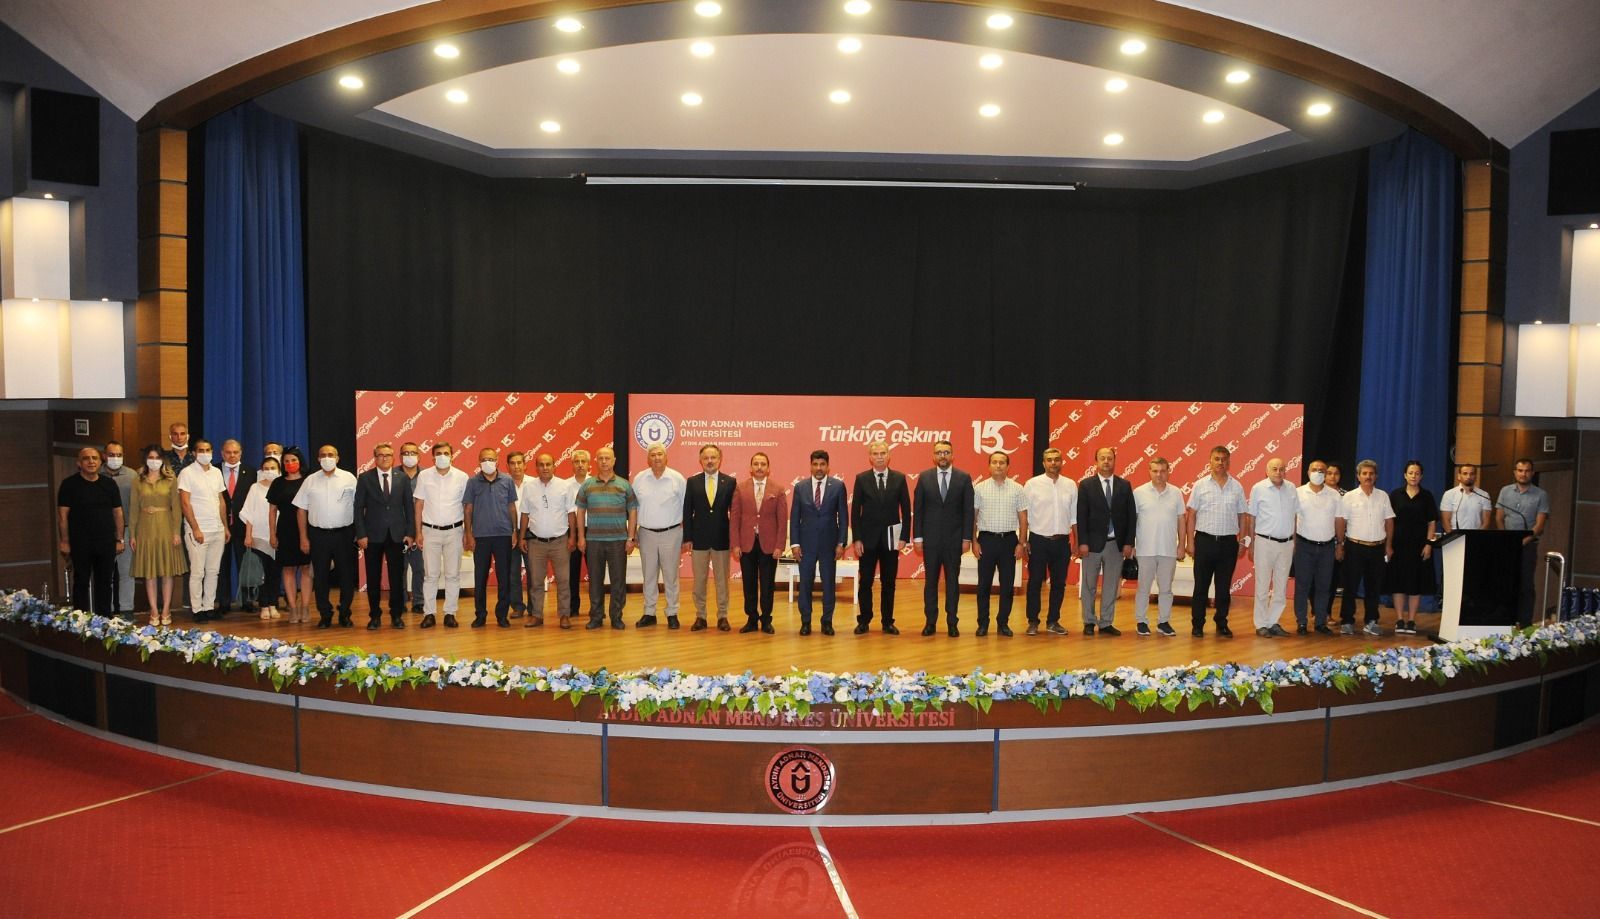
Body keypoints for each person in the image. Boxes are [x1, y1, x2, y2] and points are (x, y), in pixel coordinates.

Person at [1185, 446, 1249, 638]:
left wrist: (1243, 542)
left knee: (1223, 588)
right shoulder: (1200, 485)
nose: (1220, 462)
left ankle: (1221, 623)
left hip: (1228, 544)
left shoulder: (1237, 486)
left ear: (1228, 462)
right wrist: (1190, 542)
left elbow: (1243, 516)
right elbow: (1191, 515)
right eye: (1217, 459)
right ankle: (1197, 624)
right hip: (1204, 541)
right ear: (1210, 461)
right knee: (1201, 587)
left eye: (1224, 459)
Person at [912, 441, 974, 637]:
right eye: (939, 452)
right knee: (930, 582)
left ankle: (952, 622)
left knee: (952, 583)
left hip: (954, 540)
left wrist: (966, 538)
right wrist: (918, 537)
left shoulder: (964, 478)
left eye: (946, 452)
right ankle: (930, 622)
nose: (943, 456)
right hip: (930, 541)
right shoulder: (924, 477)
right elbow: (918, 509)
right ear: (934, 456)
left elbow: (968, 511)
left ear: (952, 455)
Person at [850, 440, 910, 635]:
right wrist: (857, 539)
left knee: (889, 583)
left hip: (891, 540)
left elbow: (906, 509)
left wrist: (904, 537)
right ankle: (864, 620)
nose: (879, 457)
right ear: (870, 457)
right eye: (875, 453)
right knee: (865, 582)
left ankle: (887, 622)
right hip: (867, 540)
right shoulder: (861, 479)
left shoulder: (899, 478)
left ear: (889, 455)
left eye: (883, 453)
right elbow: (855, 512)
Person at [295, 444, 358, 628]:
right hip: (318, 535)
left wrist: (359, 532)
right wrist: (303, 537)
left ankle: (345, 613)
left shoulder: (349, 478)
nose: (327, 458)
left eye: (331, 455)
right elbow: (301, 510)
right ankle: (325, 614)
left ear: (337, 458)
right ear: (318, 459)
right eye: (323, 455)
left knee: (346, 576)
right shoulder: (310, 480)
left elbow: (360, 506)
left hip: (344, 534)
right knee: (320, 576)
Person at [56, 446, 124, 615]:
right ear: (79, 463)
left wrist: (119, 539)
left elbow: (118, 513)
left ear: (101, 462)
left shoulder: (109, 484)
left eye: (95, 458)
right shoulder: (69, 484)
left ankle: (104, 620)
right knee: (81, 581)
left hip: (106, 541)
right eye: (86, 458)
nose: (91, 461)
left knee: (105, 582)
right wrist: (64, 541)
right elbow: (63, 516)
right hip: (80, 542)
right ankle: (81, 620)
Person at [575, 446, 637, 630]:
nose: (604, 461)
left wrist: (631, 538)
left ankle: (616, 617)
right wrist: (581, 537)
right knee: (595, 581)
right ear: (596, 461)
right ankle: (596, 616)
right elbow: (580, 511)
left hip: (618, 540)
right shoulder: (587, 485)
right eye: (600, 458)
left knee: (618, 581)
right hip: (593, 541)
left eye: (607, 458)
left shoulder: (624, 485)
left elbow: (633, 511)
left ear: (614, 460)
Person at [1077, 446, 1136, 636]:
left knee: (1110, 586)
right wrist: (1082, 542)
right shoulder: (1086, 485)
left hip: (1115, 545)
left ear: (1114, 461)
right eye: (1102, 458)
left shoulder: (1124, 485)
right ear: (1096, 461)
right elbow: (1081, 516)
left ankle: (1106, 623)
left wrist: (1128, 543)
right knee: (1088, 585)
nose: (1106, 461)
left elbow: (1131, 517)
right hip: (1091, 545)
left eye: (1109, 458)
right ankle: (1089, 621)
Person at [354, 442, 413, 629]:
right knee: (373, 578)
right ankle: (375, 616)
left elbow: (409, 508)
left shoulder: (402, 478)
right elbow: (358, 508)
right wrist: (361, 534)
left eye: (388, 455)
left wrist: (410, 533)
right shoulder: (365, 478)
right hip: (372, 536)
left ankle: (396, 615)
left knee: (396, 578)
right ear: (375, 458)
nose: (384, 458)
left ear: (393, 458)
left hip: (397, 535)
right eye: (380, 455)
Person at [789, 449, 848, 636]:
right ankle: (805, 622)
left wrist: (841, 543)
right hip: (805, 545)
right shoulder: (800, 487)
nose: (819, 468)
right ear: (810, 466)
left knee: (829, 584)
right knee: (805, 584)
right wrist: (795, 544)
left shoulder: (838, 486)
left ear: (828, 466)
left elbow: (843, 518)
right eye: (815, 464)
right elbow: (795, 518)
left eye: (822, 464)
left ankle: (827, 622)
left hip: (829, 545)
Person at [413, 441, 470, 628]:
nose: (442, 456)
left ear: (452, 456)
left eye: (446, 453)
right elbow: (419, 505)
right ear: (433, 457)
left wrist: (467, 532)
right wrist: (418, 532)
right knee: (430, 575)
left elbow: (467, 506)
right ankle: (429, 613)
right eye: (438, 453)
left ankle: (450, 613)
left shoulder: (462, 476)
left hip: (455, 531)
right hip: (430, 531)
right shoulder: (424, 476)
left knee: (453, 575)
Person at [1336, 459, 1395, 637]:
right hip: (1355, 547)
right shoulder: (1349, 497)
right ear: (1358, 476)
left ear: (1376, 476)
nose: (1368, 476)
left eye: (1371, 473)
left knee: (1374, 587)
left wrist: (1388, 545)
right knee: (1350, 586)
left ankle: (1371, 621)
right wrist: (1340, 544)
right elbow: (1341, 521)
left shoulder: (1383, 496)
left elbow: (1389, 522)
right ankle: (1347, 621)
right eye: (1364, 473)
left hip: (1377, 548)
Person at [729, 452, 786, 634]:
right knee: (749, 584)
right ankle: (752, 619)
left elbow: (782, 520)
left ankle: (766, 620)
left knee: (768, 584)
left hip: (769, 545)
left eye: (763, 464)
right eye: (756, 464)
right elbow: (734, 518)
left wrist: (779, 545)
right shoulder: (740, 488)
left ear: (768, 468)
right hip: (746, 544)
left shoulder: (778, 489)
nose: (759, 467)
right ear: (751, 468)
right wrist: (735, 544)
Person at [129, 445, 186, 625]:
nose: (154, 461)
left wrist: (176, 532)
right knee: (150, 572)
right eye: (151, 457)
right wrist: (132, 534)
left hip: (166, 527)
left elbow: (176, 508)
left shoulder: (170, 478)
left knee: (167, 572)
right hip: (145, 528)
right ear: (146, 459)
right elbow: (133, 509)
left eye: (157, 457)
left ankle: (166, 609)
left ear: (162, 459)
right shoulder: (138, 480)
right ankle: (153, 610)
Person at [1023, 447, 1077, 636]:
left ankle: (1053, 621)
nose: (1053, 463)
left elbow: (1074, 516)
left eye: (1056, 459)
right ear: (1043, 463)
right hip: (1038, 541)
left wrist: (1076, 541)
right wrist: (1024, 541)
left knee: (1059, 583)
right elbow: (1025, 515)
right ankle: (1032, 622)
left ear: (1061, 462)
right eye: (1049, 460)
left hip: (1062, 542)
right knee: (1034, 582)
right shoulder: (1032, 484)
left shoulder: (1070, 485)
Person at [463, 447, 519, 628]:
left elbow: (512, 507)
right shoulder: (472, 482)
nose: (487, 462)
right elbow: (468, 509)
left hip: (503, 535)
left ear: (497, 460)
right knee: (480, 579)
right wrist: (468, 533)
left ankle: (502, 615)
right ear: (479, 461)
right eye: (484, 459)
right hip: (480, 537)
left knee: (504, 578)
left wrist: (514, 531)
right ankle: (480, 615)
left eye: (491, 458)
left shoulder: (507, 480)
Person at [973, 451, 1027, 637]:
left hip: (1009, 542)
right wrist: (974, 541)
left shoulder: (1018, 488)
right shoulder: (979, 488)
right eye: (994, 462)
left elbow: (1023, 518)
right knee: (983, 586)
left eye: (1002, 462)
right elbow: (973, 518)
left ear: (1008, 466)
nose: (998, 465)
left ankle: (1003, 623)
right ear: (989, 466)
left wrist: (1021, 543)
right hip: (986, 540)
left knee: (1007, 586)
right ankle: (983, 623)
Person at [519, 452, 576, 628]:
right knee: (536, 581)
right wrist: (522, 537)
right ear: (536, 467)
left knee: (563, 580)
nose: (545, 468)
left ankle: (564, 615)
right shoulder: (529, 487)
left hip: (560, 541)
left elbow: (571, 513)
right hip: (536, 542)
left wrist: (573, 536)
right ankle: (536, 615)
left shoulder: (564, 486)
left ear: (554, 466)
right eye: (541, 465)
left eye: (548, 464)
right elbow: (525, 514)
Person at [683, 444, 736, 631]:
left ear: (720, 459)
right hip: (699, 539)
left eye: (713, 457)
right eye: (706, 458)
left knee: (722, 581)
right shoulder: (692, 482)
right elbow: (687, 511)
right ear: (701, 460)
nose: (710, 461)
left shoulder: (730, 482)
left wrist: (734, 539)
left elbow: (735, 513)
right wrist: (687, 538)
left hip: (722, 539)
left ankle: (723, 616)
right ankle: (701, 616)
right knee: (699, 581)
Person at [633, 443, 686, 628]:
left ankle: (672, 613)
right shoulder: (639, 479)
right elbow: (633, 508)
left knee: (671, 576)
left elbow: (687, 508)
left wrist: (686, 536)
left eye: (660, 454)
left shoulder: (677, 479)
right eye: (653, 455)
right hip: (646, 533)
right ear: (648, 458)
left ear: (666, 457)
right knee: (649, 575)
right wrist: (633, 533)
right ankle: (649, 612)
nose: (656, 457)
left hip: (672, 533)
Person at [1132, 457, 1185, 637]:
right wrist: (1131, 544)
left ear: (1168, 471)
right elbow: (1132, 520)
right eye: (1155, 471)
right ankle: (1141, 621)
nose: (1159, 474)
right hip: (1144, 549)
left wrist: (1182, 545)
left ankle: (1164, 622)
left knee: (1166, 589)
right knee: (1143, 588)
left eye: (1162, 471)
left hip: (1168, 549)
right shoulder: (1139, 492)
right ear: (1149, 472)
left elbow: (1181, 519)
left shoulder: (1176, 493)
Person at [177, 439, 228, 622]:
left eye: (208, 450)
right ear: (194, 453)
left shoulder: (216, 473)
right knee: (198, 572)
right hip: (198, 531)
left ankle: (208, 607)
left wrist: (225, 527)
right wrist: (195, 528)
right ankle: (197, 609)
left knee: (213, 571)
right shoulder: (187, 473)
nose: (205, 453)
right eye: (201, 450)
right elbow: (185, 503)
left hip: (217, 529)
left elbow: (221, 501)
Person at [1385, 460, 1437, 636]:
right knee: (1398, 583)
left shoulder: (1427, 496)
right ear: (1405, 475)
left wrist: (1429, 544)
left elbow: (1432, 522)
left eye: (1417, 473)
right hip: (1398, 545)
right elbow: (1389, 522)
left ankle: (1412, 620)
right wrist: (1388, 544)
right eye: (1410, 473)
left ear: (1421, 476)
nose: (1414, 476)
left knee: (1416, 583)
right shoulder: (1395, 495)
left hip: (1419, 546)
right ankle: (1400, 619)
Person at [1496, 458, 1550, 627]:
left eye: (1527, 471)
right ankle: (1505, 621)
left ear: (1532, 473)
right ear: (1515, 472)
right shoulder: (1505, 491)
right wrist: (1506, 539)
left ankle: (1525, 624)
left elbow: (1539, 526)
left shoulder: (1541, 495)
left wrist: (1522, 542)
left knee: (1526, 586)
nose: (1523, 474)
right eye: (1520, 470)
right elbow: (1499, 517)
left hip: (1528, 546)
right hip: (1507, 546)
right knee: (1506, 584)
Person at [1247, 458, 1298, 638]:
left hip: (1287, 543)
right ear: (1267, 471)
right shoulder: (1258, 488)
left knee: (1281, 587)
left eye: (1282, 469)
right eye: (1274, 469)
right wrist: (1251, 543)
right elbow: (1251, 518)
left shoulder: (1292, 488)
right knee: (1262, 585)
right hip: (1264, 542)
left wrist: (1294, 542)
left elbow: (1295, 516)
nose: (1278, 472)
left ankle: (1273, 621)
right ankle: (1261, 624)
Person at [1293, 459, 1341, 635]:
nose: (1318, 473)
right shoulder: (1298, 492)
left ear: (1326, 474)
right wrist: (1293, 543)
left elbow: (1339, 520)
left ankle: (1321, 622)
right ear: (1308, 472)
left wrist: (1340, 544)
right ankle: (1302, 622)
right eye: (1315, 470)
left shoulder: (1334, 495)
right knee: (1302, 586)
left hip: (1327, 547)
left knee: (1324, 586)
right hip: (1304, 545)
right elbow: (1292, 518)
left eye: (1322, 470)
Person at [267, 447, 311, 623]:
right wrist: (272, 534)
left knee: (307, 568)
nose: (290, 463)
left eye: (293, 460)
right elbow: (272, 511)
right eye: (286, 461)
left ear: (300, 461)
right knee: (288, 569)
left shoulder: (308, 480)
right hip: (285, 529)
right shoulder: (278, 483)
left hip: (307, 529)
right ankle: (292, 608)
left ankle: (305, 607)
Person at [215, 439, 255, 614]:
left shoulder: (251, 472)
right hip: (220, 525)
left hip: (243, 526)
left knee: (245, 565)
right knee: (222, 565)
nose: (232, 455)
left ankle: (247, 601)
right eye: (228, 452)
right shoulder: (213, 471)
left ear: (241, 453)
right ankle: (223, 602)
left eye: (235, 452)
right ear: (222, 453)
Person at [239, 455, 281, 619]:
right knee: (261, 574)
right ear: (261, 471)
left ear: (279, 470)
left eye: (273, 468)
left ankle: (273, 604)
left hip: (278, 536)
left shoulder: (281, 486)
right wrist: (248, 535)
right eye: (266, 468)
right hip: (258, 536)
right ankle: (263, 606)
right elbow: (249, 512)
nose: (269, 471)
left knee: (275, 573)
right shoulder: (255, 488)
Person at [102, 440, 136, 615]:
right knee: (104, 573)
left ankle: (126, 610)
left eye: (119, 455)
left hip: (127, 529)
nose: (115, 458)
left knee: (127, 573)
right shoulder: (96, 474)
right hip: (103, 531)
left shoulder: (132, 475)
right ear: (104, 456)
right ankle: (106, 610)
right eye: (111, 455)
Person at [503, 451, 531, 619]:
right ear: (507, 466)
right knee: (512, 572)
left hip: (531, 532)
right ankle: (518, 606)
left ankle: (534, 607)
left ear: (525, 465)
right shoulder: (503, 483)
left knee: (533, 571)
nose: (516, 466)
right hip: (509, 532)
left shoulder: (534, 483)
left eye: (519, 462)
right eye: (512, 463)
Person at [398, 442, 426, 613]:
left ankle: (419, 602)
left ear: (419, 456)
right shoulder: (393, 474)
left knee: (419, 568)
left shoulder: (427, 475)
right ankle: (400, 601)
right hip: (397, 529)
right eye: (406, 453)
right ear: (400, 456)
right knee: (399, 569)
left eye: (413, 453)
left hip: (421, 529)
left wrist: (420, 531)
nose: (409, 456)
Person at [566, 449, 591, 622]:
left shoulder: (596, 483)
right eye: (577, 461)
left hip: (593, 531)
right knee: (571, 572)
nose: (580, 465)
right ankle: (572, 607)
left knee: (595, 571)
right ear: (572, 464)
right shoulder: (564, 485)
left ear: (589, 464)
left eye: (583, 461)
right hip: (571, 531)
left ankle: (596, 608)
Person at [1440, 464, 1494, 534]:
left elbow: (1486, 522)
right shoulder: (1449, 494)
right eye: (1465, 473)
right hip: (1453, 537)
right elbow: (1445, 521)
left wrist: (1477, 537)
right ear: (1459, 476)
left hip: (1476, 537)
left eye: (1472, 474)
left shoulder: (1484, 495)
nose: (1468, 477)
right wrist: (1453, 537)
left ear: (1475, 476)